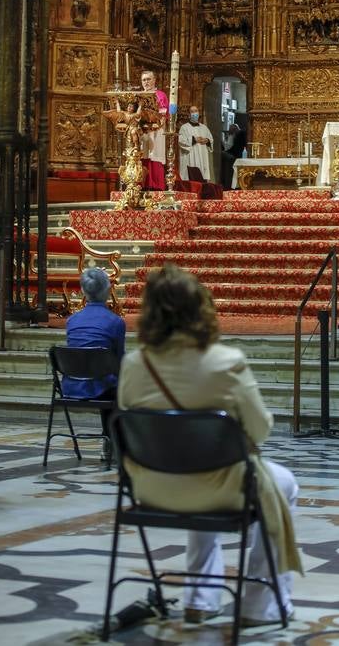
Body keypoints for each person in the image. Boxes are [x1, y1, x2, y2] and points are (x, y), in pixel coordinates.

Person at [117, 264, 302, 627]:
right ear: (201, 308)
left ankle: (200, 598)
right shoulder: (225, 363)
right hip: (218, 486)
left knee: (197, 465)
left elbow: (128, 419)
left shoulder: (132, 365)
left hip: (151, 487)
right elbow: (260, 430)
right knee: (282, 484)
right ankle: (259, 605)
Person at [64, 267, 126, 451]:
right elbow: (119, 362)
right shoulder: (115, 322)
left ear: (83, 291)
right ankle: (115, 440)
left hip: (72, 384)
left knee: (104, 377)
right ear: (108, 290)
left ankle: (109, 440)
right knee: (114, 383)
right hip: (102, 386)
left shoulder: (72, 321)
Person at [139, 69, 168, 191]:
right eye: (144, 80)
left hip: (156, 130)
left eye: (148, 79)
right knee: (142, 154)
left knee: (155, 154)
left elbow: (164, 111)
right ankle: (142, 184)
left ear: (154, 80)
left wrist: (157, 119)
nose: (146, 82)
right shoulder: (139, 96)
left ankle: (156, 185)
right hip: (142, 130)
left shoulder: (160, 95)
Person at [178, 105, 214, 182]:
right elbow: (181, 141)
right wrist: (194, 139)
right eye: (192, 111)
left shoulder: (204, 127)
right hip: (190, 156)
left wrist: (207, 140)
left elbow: (211, 139)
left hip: (202, 156)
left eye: (196, 111)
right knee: (191, 178)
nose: (195, 113)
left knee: (202, 178)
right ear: (189, 114)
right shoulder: (184, 127)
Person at [221, 122, 247, 189]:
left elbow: (234, 148)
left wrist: (226, 151)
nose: (230, 130)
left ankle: (227, 185)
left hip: (235, 155)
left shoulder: (240, 134)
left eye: (231, 129)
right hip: (235, 154)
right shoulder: (238, 134)